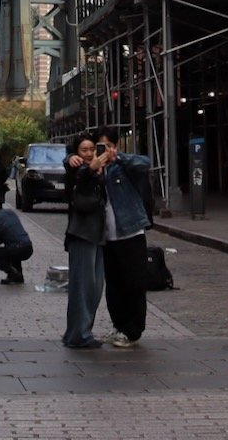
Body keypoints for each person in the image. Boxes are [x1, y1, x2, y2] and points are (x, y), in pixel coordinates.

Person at [97, 129, 155, 349]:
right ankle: (119, 325)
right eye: (101, 147)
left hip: (130, 231)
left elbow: (144, 163)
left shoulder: (124, 165)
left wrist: (117, 157)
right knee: (114, 285)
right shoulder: (95, 170)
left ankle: (133, 330)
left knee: (134, 283)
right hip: (107, 236)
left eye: (110, 145)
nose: (106, 150)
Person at [62, 133, 108, 349]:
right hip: (81, 232)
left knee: (96, 286)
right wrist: (75, 159)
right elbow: (76, 174)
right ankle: (78, 334)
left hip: (98, 233)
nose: (89, 154)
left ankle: (80, 330)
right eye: (84, 150)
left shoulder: (100, 169)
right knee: (83, 286)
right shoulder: (77, 168)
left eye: (92, 149)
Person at [0, 206, 33, 284]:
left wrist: (0, 236)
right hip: (28, 247)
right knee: (11, 248)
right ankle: (18, 276)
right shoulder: (10, 212)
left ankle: (11, 271)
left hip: (16, 249)